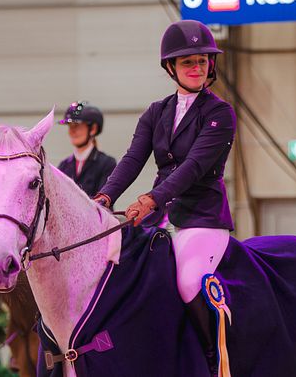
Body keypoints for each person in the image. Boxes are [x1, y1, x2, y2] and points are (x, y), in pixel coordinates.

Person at [93, 19, 235, 376]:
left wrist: (153, 199)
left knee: (189, 282)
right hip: (159, 218)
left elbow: (193, 167)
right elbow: (132, 159)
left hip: (202, 218)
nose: (197, 68)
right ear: (171, 67)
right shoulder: (156, 112)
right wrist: (106, 197)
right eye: (188, 62)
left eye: (202, 61)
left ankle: (210, 359)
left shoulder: (220, 113)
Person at [57, 101, 116, 198]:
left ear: (93, 129)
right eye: (70, 126)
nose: (72, 131)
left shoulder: (107, 163)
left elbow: (103, 202)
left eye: (76, 126)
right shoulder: (64, 166)